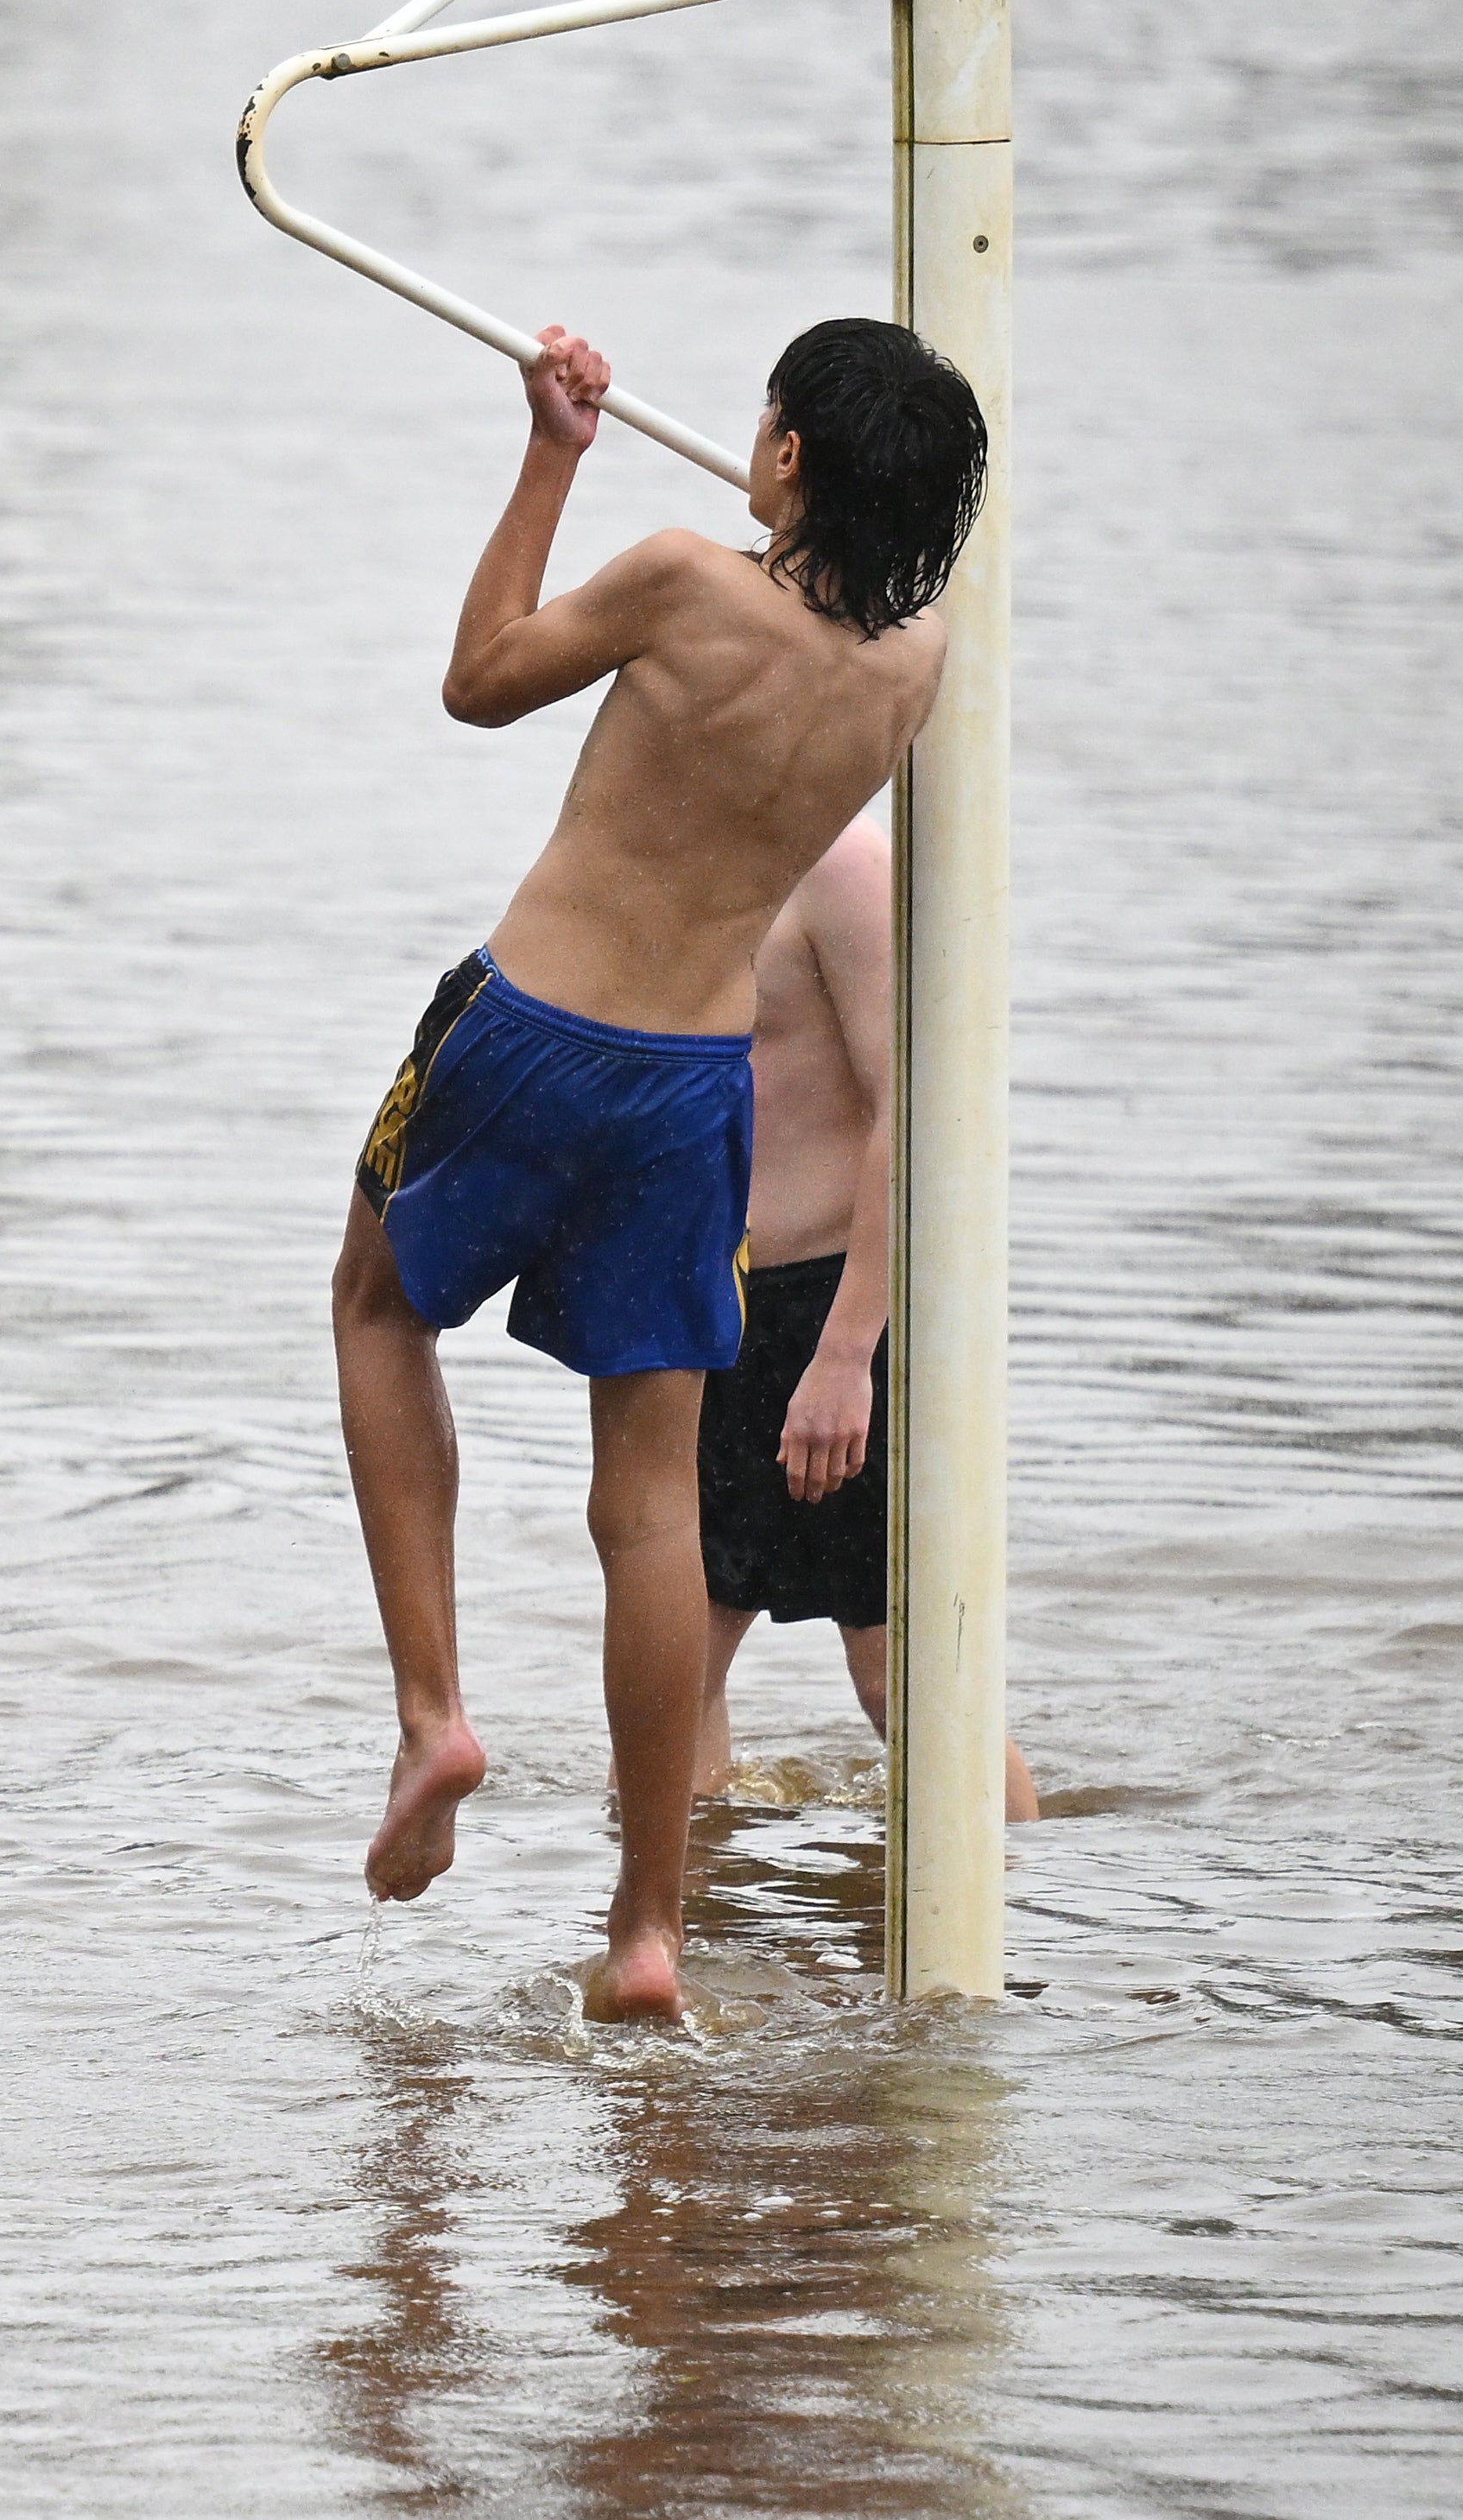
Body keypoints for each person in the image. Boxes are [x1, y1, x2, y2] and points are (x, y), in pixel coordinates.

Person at [335, 313, 986, 2020]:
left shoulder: (685, 580)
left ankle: (434, 1714)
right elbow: (867, 591)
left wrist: (550, 453)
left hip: (530, 1026)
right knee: (650, 1508)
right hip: (696, 1090)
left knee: (376, 1310)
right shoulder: (914, 668)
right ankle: (646, 1931)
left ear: (787, 456)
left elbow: (480, 677)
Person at [699, 812, 1041, 1815]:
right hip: (715, 1303)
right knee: (677, 1656)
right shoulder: (680, 853)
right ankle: (680, 1903)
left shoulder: (845, 869)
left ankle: (1021, 1890)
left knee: (896, 1669)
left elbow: (917, 1107)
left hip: (841, 1303)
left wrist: (847, 1354)